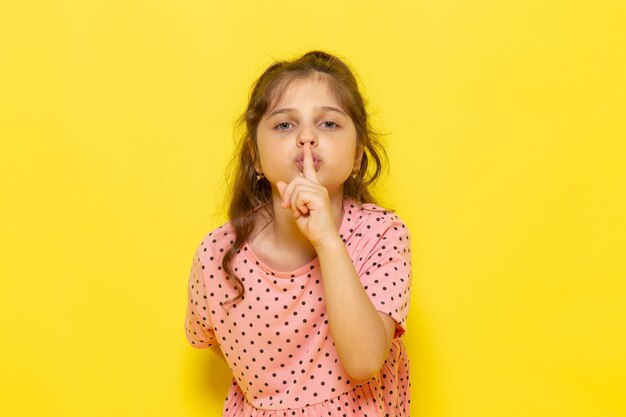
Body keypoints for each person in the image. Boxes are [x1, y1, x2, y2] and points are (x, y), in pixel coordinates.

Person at [185, 50, 412, 417]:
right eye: (285, 125)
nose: (307, 137)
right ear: (255, 158)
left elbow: (365, 362)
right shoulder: (218, 253)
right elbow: (210, 339)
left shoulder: (381, 234)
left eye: (329, 124)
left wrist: (326, 240)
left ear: (357, 156)